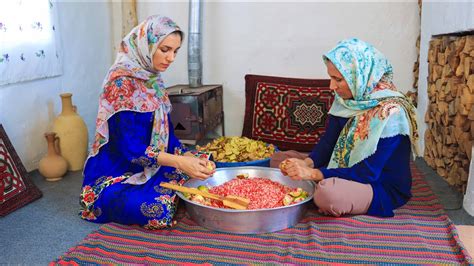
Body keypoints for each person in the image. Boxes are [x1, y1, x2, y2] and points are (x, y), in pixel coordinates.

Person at [79, 15, 215, 229]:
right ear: (146, 44)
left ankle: (174, 188)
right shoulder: (120, 84)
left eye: (175, 51)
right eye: (165, 49)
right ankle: (166, 194)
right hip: (118, 170)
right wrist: (179, 163)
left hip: (151, 160)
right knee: (156, 209)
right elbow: (129, 149)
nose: (171, 58)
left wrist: (186, 156)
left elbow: (166, 133)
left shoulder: (153, 79)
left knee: (205, 162)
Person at [272, 38, 419, 217]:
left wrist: (313, 173)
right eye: (331, 77)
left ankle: (311, 187)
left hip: (377, 184)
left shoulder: (391, 112)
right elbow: (328, 142)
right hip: (341, 166)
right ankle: (310, 184)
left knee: (328, 194)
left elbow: (368, 172)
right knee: (279, 160)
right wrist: (307, 163)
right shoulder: (347, 100)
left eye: (338, 79)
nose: (331, 86)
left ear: (359, 77)